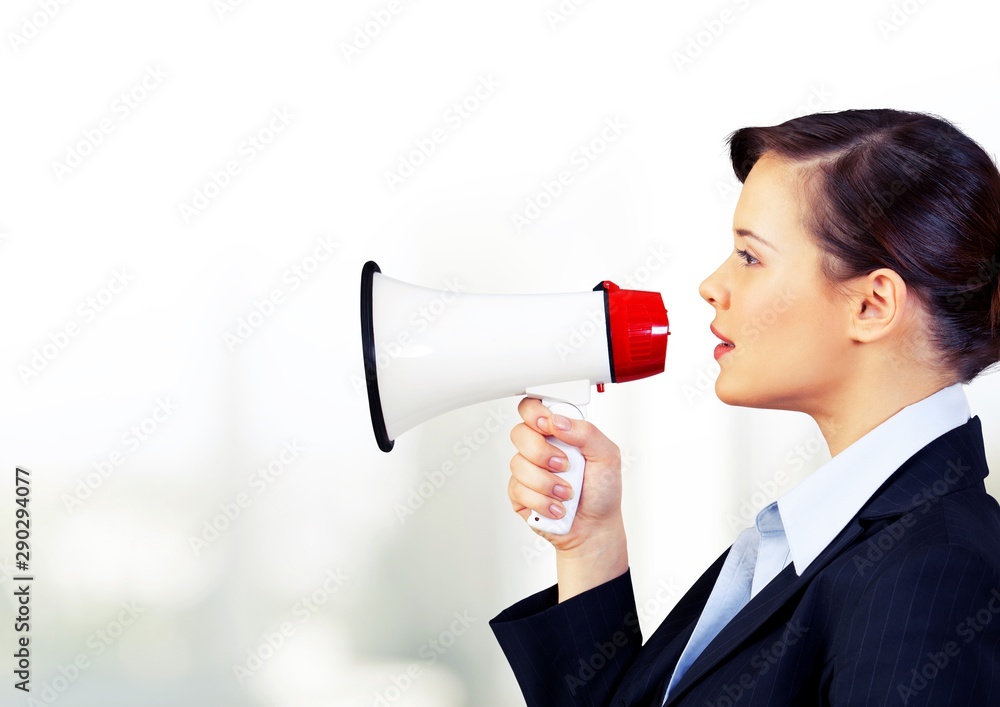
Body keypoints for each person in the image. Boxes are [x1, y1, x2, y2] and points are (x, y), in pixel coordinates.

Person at [490, 109, 1000, 706]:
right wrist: (591, 545)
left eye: (750, 256)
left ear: (871, 304)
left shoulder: (935, 574)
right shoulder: (818, 542)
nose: (712, 285)